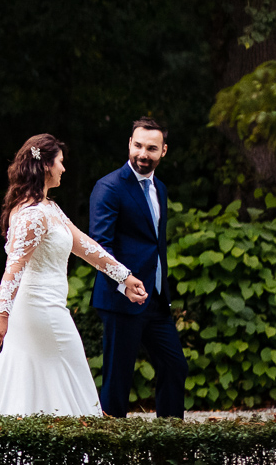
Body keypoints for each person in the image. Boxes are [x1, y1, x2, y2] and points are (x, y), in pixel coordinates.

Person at [0, 134, 148, 416]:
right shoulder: (33, 214)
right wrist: (2, 315)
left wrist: (124, 276)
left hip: (48, 307)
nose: (64, 168)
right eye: (60, 162)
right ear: (46, 165)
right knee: (74, 374)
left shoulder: (49, 208)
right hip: (40, 309)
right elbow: (14, 268)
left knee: (33, 379)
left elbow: (84, 246)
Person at [88, 118, 189, 419]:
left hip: (156, 300)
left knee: (175, 367)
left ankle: (169, 445)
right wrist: (124, 283)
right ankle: (111, 450)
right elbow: (100, 246)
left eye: (152, 148)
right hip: (120, 299)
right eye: (138, 145)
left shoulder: (161, 188)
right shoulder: (109, 187)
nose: (144, 153)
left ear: (164, 151)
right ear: (129, 144)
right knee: (118, 381)